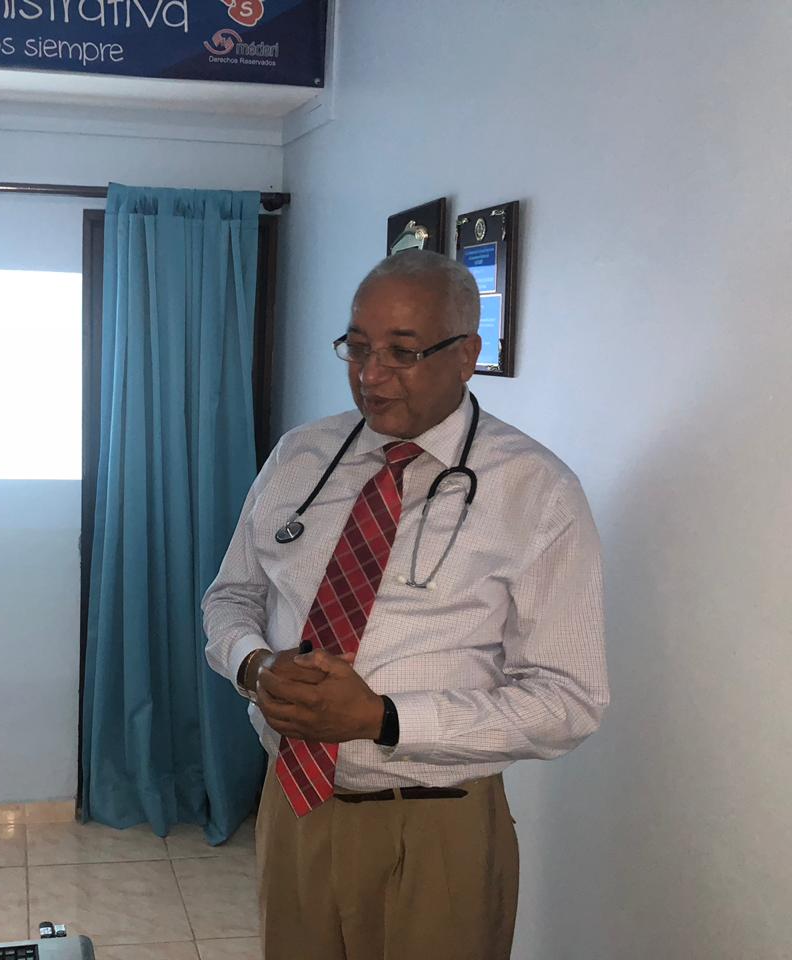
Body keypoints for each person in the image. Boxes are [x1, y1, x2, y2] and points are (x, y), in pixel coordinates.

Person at [202, 250, 608, 960]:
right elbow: (231, 596)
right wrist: (254, 666)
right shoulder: (300, 457)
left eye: (402, 352)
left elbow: (568, 701)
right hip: (295, 806)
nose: (370, 374)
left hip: (434, 826)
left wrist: (382, 718)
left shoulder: (536, 491)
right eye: (357, 347)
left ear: (467, 355)